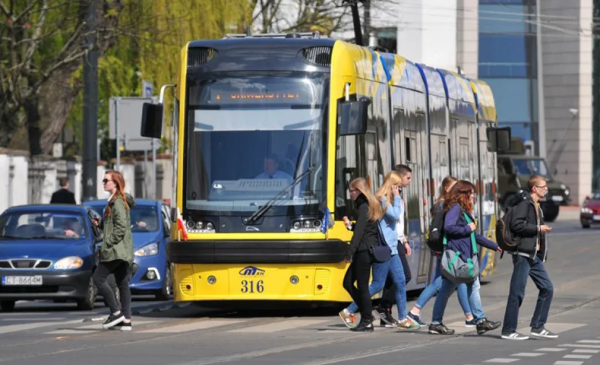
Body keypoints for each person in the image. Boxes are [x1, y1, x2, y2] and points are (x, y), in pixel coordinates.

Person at [340, 172, 420, 330]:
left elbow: (387, 225)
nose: (400, 189)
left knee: (401, 280)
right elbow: (395, 216)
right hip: (384, 248)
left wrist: (403, 239)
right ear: (392, 185)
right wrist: (397, 197)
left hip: (391, 246)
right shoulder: (383, 199)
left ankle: (402, 317)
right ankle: (350, 310)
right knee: (377, 284)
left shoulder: (381, 201)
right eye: (397, 186)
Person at [428, 180, 502, 335]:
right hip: (459, 256)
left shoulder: (461, 210)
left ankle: (436, 323)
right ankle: (480, 320)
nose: (473, 196)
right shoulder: (455, 209)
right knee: (472, 286)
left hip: (460, 256)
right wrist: (467, 227)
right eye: (471, 193)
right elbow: (449, 227)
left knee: (446, 290)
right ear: (463, 194)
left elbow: (474, 236)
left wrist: (494, 246)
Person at [407, 176, 477, 327]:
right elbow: (447, 229)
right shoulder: (444, 205)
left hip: (446, 250)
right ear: (447, 188)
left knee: (450, 282)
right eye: (454, 187)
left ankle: (469, 316)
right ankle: (416, 312)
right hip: (445, 250)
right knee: (446, 282)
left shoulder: (447, 204)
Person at [501, 175, 556, 340]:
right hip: (523, 254)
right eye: (543, 186)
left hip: (533, 256)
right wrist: (538, 228)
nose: (545, 189)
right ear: (534, 188)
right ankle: (508, 330)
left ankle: (538, 326)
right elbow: (516, 225)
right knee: (517, 293)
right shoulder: (524, 204)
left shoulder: (537, 206)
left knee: (547, 288)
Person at [92, 170, 135, 331]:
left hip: (116, 250)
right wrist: (101, 224)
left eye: (106, 180)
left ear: (115, 183)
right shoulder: (114, 201)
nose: (103, 183)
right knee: (122, 283)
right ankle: (127, 320)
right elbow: (113, 225)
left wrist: (106, 244)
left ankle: (116, 312)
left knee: (98, 278)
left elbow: (120, 228)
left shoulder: (117, 202)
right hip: (121, 249)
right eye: (103, 180)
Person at [339, 177, 382, 332]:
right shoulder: (365, 205)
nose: (350, 194)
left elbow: (359, 234)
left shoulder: (364, 206)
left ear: (360, 190)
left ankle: (366, 320)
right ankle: (367, 315)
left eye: (352, 190)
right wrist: (352, 226)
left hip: (364, 251)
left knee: (362, 287)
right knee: (348, 283)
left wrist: (349, 252)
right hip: (364, 249)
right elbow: (364, 228)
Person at [375, 164, 414, 327]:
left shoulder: (395, 198)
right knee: (397, 279)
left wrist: (404, 240)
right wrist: (402, 240)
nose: (409, 182)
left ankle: (394, 313)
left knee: (398, 278)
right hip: (390, 243)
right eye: (408, 178)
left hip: (396, 240)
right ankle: (383, 308)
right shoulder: (388, 199)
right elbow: (395, 217)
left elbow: (397, 223)